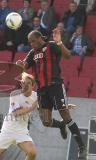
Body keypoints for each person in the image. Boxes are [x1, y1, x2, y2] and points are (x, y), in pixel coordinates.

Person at [16, 29, 87, 159]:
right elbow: (26, 65)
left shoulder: (52, 46)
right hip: (42, 90)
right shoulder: (33, 52)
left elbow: (68, 56)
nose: (31, 44)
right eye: (29, 42)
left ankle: (82, 147)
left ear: (39, 38)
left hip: (56, 86)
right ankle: (60, 125)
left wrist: (59, 42)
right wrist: (21, 65)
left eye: (32, 41)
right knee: (46, 122)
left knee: (65, 115)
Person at [0, 72, 38, 160]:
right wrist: (31, 107)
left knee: (32, 153)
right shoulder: (14, 94)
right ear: (21, 84)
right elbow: (16, 113)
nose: (25, 85)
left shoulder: (36, 96)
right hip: (8, 130)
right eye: (23, 83)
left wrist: (63, 107)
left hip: (21, 132)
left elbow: (46, 105)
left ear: (33, 86)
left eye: (28, 83)